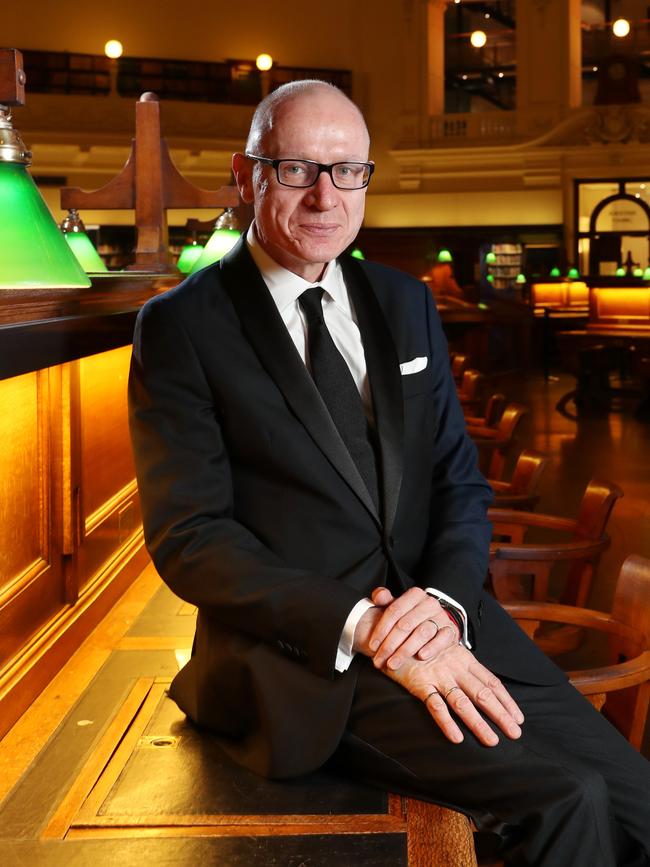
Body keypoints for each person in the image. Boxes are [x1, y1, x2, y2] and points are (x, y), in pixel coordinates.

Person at [128, 80, 650, 866]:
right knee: (566, 798)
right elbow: (190, 537)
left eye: (348, 172)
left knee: (636, 797)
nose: (324, 196)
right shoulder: (179, 327)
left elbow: (459, 483)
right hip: (310, 658)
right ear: (247, 175)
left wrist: (439, 603)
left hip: (448, 618)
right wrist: (364, 623)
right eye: (298, 168)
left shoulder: (403, 300)